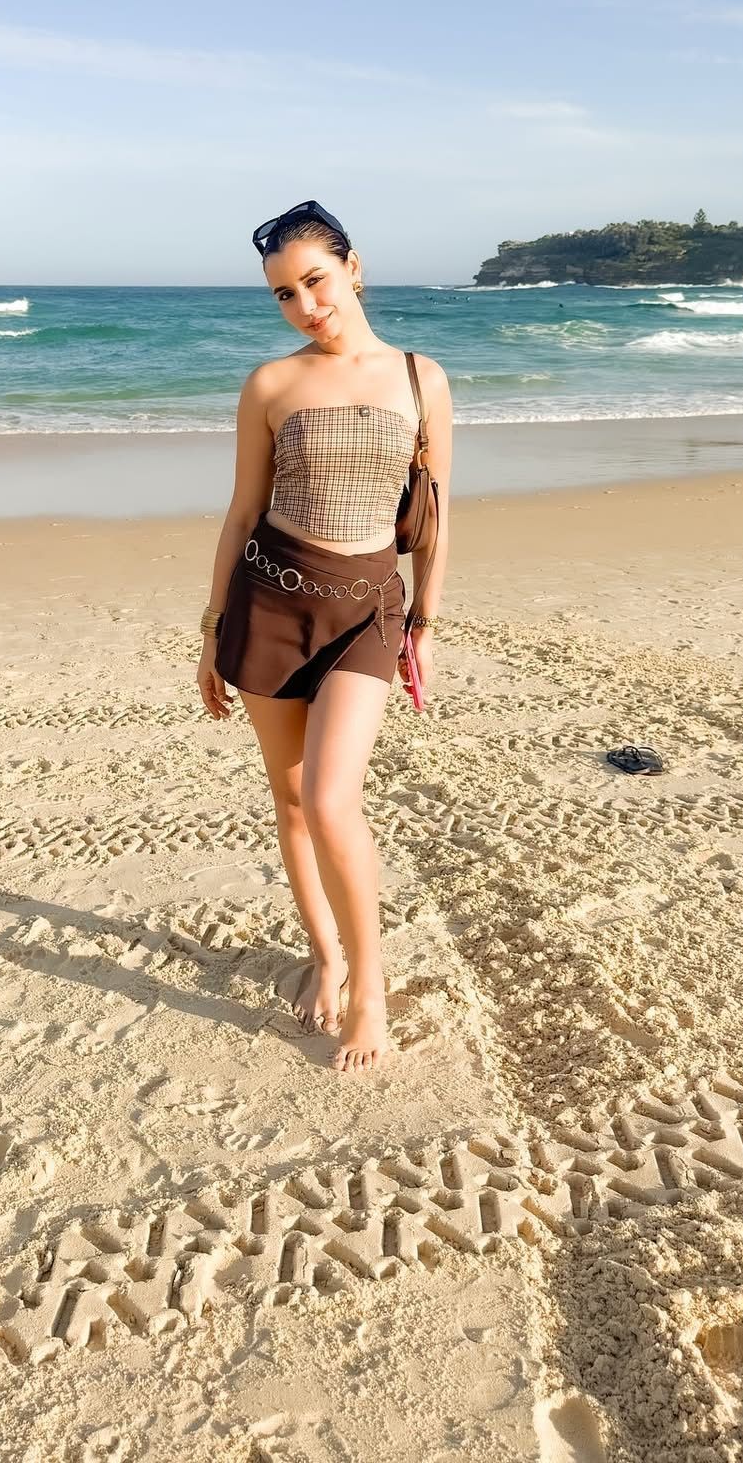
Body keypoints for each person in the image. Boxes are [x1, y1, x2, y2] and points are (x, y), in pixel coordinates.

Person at [196, 201, 452, 1075]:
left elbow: (437, 516)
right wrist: (213, 628)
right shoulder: (270, 386)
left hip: (369, 612)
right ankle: (325, 956)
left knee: (335, 797)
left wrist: (424, 622)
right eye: (284, 294)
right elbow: (242, 511)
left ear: (353, 268)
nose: (305, 305)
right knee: (294, 801)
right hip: (270, 602)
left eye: (315, 281)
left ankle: (370, 987)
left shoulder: (420, 378)